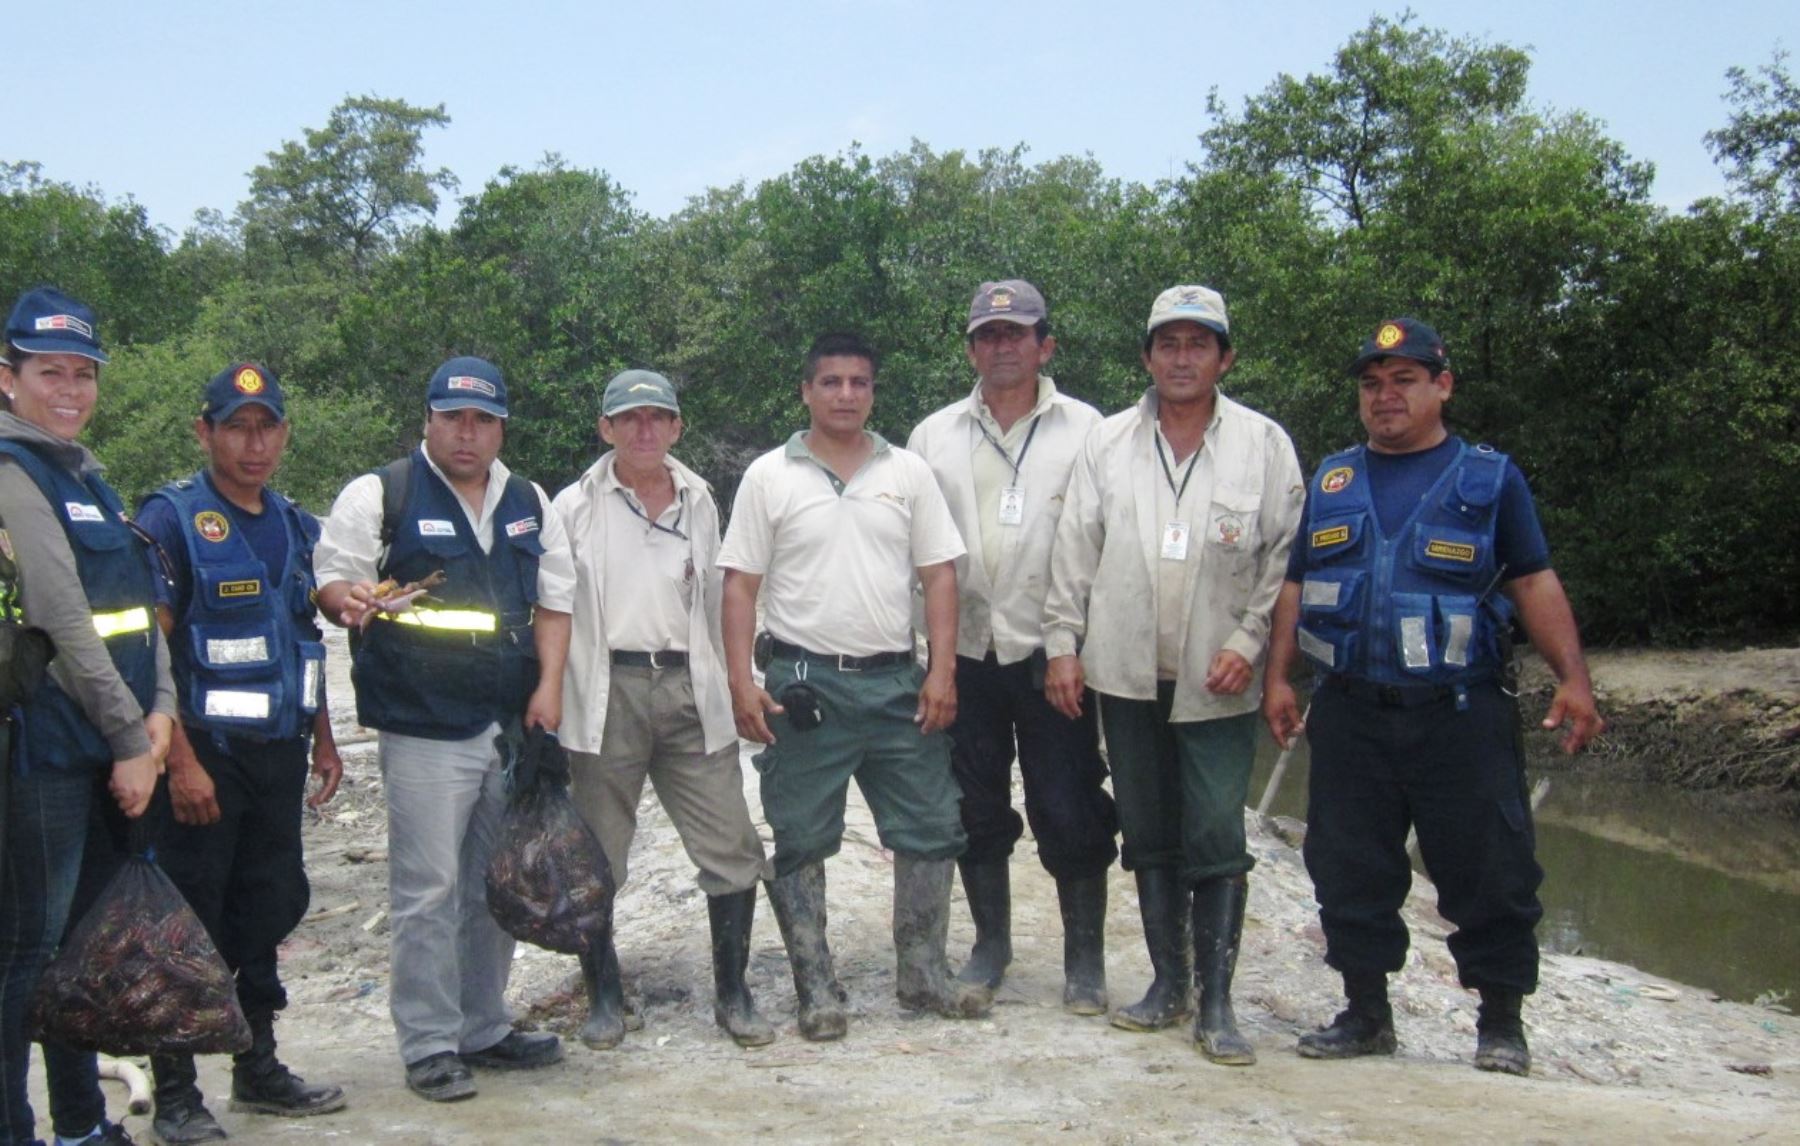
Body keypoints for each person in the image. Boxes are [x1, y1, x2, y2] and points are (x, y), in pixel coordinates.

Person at [1263, 317, 1604, 1077]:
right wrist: (1278, 677)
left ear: (1442, 386)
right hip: (1351, 709)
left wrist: (1574, 680)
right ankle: (1365, 1012)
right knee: (1348, 866)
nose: (1385, 397)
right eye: (1372, 384)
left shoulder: (1488, 480)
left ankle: (1501, 1023)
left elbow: (1534, 580)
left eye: (1404, 380)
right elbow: (1293, 587)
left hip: (1459, 712)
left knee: (1491, 869)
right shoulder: (1333, 480)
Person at [1043, 285, 1303, 1065]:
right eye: (1168, 343)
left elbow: (1285, 558)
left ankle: (1218, 1006)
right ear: (1148, 356)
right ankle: (1168, 985)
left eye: (1199, 343)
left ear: (1225, 356)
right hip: (1123, 672)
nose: (1182, 357)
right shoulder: (1110, 442)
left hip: (1218, 678)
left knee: (1217, 831)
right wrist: (1062, 642)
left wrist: (1251, 641)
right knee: (1149, 831)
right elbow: (1074, 547)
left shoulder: (1264, 444)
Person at [314, 356, 574, 1102]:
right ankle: (429, 1042)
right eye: (453, 416)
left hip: (507, 727)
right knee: (426, 890)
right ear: (427, 419)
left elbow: (555, 603)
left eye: (483, 419)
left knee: (493, 884)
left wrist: (550, 686)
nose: (468, 432)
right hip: (423, 727)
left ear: (500, 427)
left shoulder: (528, 501)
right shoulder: (382, 494)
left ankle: (484, 1026)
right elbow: (334, 579)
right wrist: (349, 599)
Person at [718, 331, 987, 1041]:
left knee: (932, 825)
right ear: (805, 391)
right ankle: (816, 987)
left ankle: (924, 973)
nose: (845, 395)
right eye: (830, 382)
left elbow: (939, 576)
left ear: (873, 391)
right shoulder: (769, 476)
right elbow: (740, 585)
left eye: (858, 383)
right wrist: (741, 681)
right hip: (803, 684)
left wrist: (943, 670)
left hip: (897, 680)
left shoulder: (908, 473)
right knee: (802, 836)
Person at [133, 364, 346, 1142]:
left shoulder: (292, 522)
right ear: (205, 432)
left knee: (265, 906)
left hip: (277, 754)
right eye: (237, 427)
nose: (254, 444)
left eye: (268, 427)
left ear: (285, 434)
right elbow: (147, 656)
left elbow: (303, 639)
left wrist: (322, 737)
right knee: (189, 920)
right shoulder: (172, 520)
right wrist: (178, 763)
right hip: (203, 759)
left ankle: (257, 1068)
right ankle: (178, 1091)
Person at [906, 280, 1117, 1012]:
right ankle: (991, 943)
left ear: (1045, 344)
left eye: (1017, 334)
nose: (1003, 347)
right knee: (975, 803)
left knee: (1069, 803)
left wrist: (1069, 643)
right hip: (964, 652)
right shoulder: (932, 436)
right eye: (988, 336)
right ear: (970, 348)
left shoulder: (1091, 430)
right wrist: (929, 660)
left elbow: (1096, 546)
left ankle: (1084, 957)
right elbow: (920, 555)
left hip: (1052, 653)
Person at [551, 369, 774, 1050]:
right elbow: (553, 608)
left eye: (658, 417)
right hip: (604, 689)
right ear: (606, 429)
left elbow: (721, 601)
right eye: (629, 419)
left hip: (688, 686)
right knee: (597, 853)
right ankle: (606, 997)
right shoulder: (573, 506)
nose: (644, 430)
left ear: (677, 427)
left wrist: (741, 683)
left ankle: (733, 996)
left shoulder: (700, 499)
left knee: (731, 842)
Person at [0, 286, 175, 1146]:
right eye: (48, 372)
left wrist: (164, 715)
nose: (68, 388)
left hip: (118, 742)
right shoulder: (13, 472)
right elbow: (62, 620)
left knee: (75, 949)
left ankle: (82, 1123)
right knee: (29, 948)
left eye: (82, 372)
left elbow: (143, 610)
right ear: (9, 378)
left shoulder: (89, 475)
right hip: (48, 752)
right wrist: (127, 738)